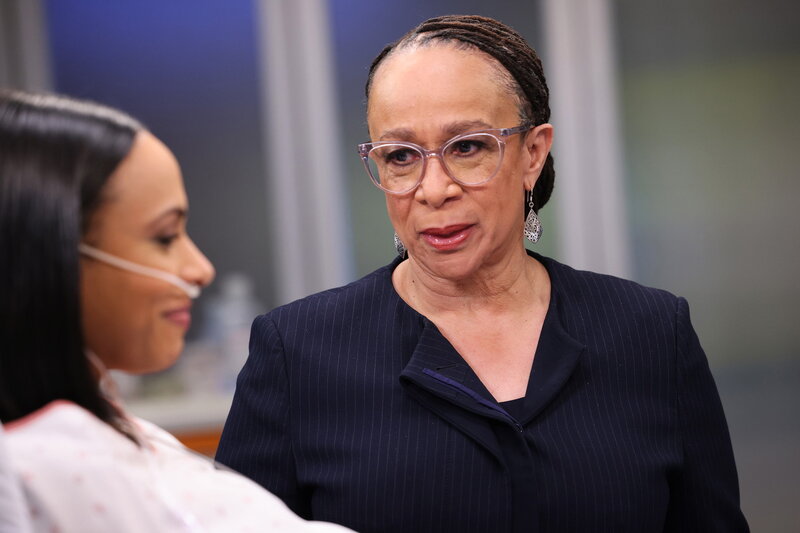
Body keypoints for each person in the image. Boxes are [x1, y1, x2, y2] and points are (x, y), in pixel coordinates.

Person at [216, 14, 749, 533]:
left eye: (467, 147)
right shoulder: (297, 352)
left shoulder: (652, 332)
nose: (433, 189)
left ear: (532, 153)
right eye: (400, 156)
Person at [0, 89, 351, 533]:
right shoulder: (33, 475)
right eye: (165, 237)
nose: (200, 269)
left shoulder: (130, 440)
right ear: (46, 253)